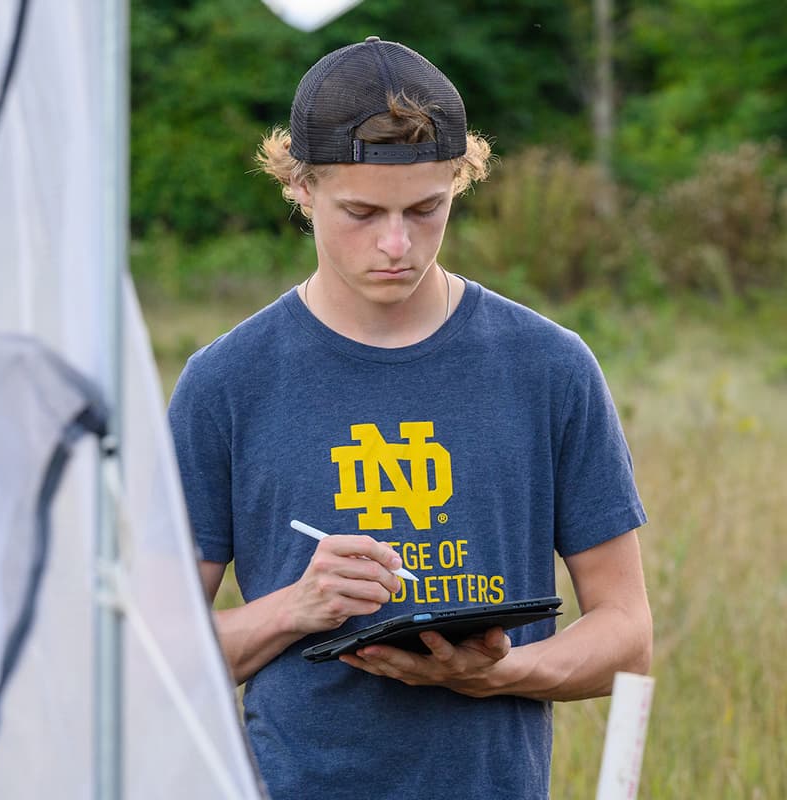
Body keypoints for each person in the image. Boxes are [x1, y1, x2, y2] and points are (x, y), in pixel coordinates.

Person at [168, 36, 652, 800]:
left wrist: (494, 673)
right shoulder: (226, 383)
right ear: (299, 185)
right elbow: (152, 664)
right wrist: (299, 606)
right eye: (360, 212)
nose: (397, 245)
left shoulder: (549, 367)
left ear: (461, 180)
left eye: (427, 209)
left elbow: (627, 636)